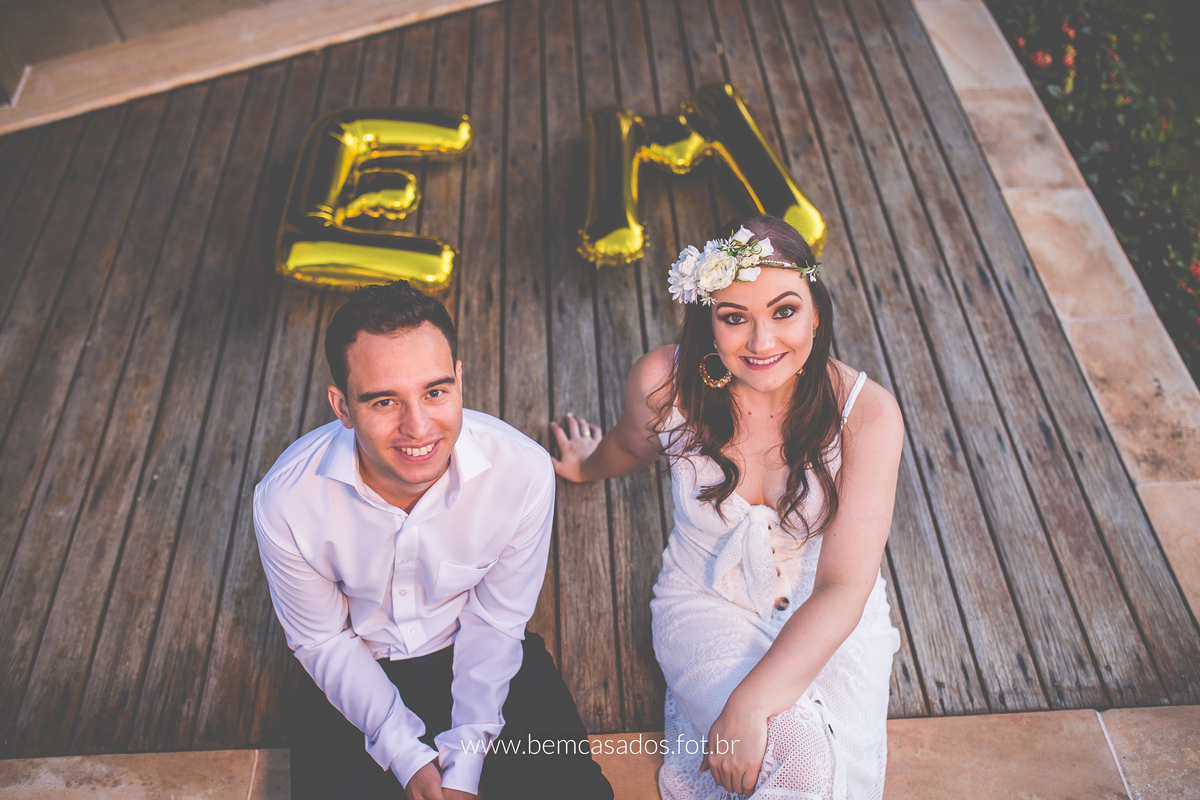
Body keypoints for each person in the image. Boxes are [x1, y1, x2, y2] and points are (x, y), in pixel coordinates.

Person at [552, 215, 903, 799]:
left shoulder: (867, 414)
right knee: (797, 755)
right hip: (705, 600)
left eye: (784, 311)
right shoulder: (665, 383)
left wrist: (749, 703)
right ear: (707, 321)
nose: (762, 343)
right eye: (735, 317)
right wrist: (586, 466)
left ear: (816, 312)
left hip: (824, 609)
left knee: (814, 763)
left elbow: (844, 585)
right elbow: (632, 446)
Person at [254, 280, 612, 800]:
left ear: (459, 381)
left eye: (435, 392)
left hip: (484, 655)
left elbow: (497, 619)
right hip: (354, 671)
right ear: (342, 407)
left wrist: (465, 764)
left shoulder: (523, 472)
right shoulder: (286, 501)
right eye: (384, 401)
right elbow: (323, 640)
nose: (418, 427)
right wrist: (406, 755)